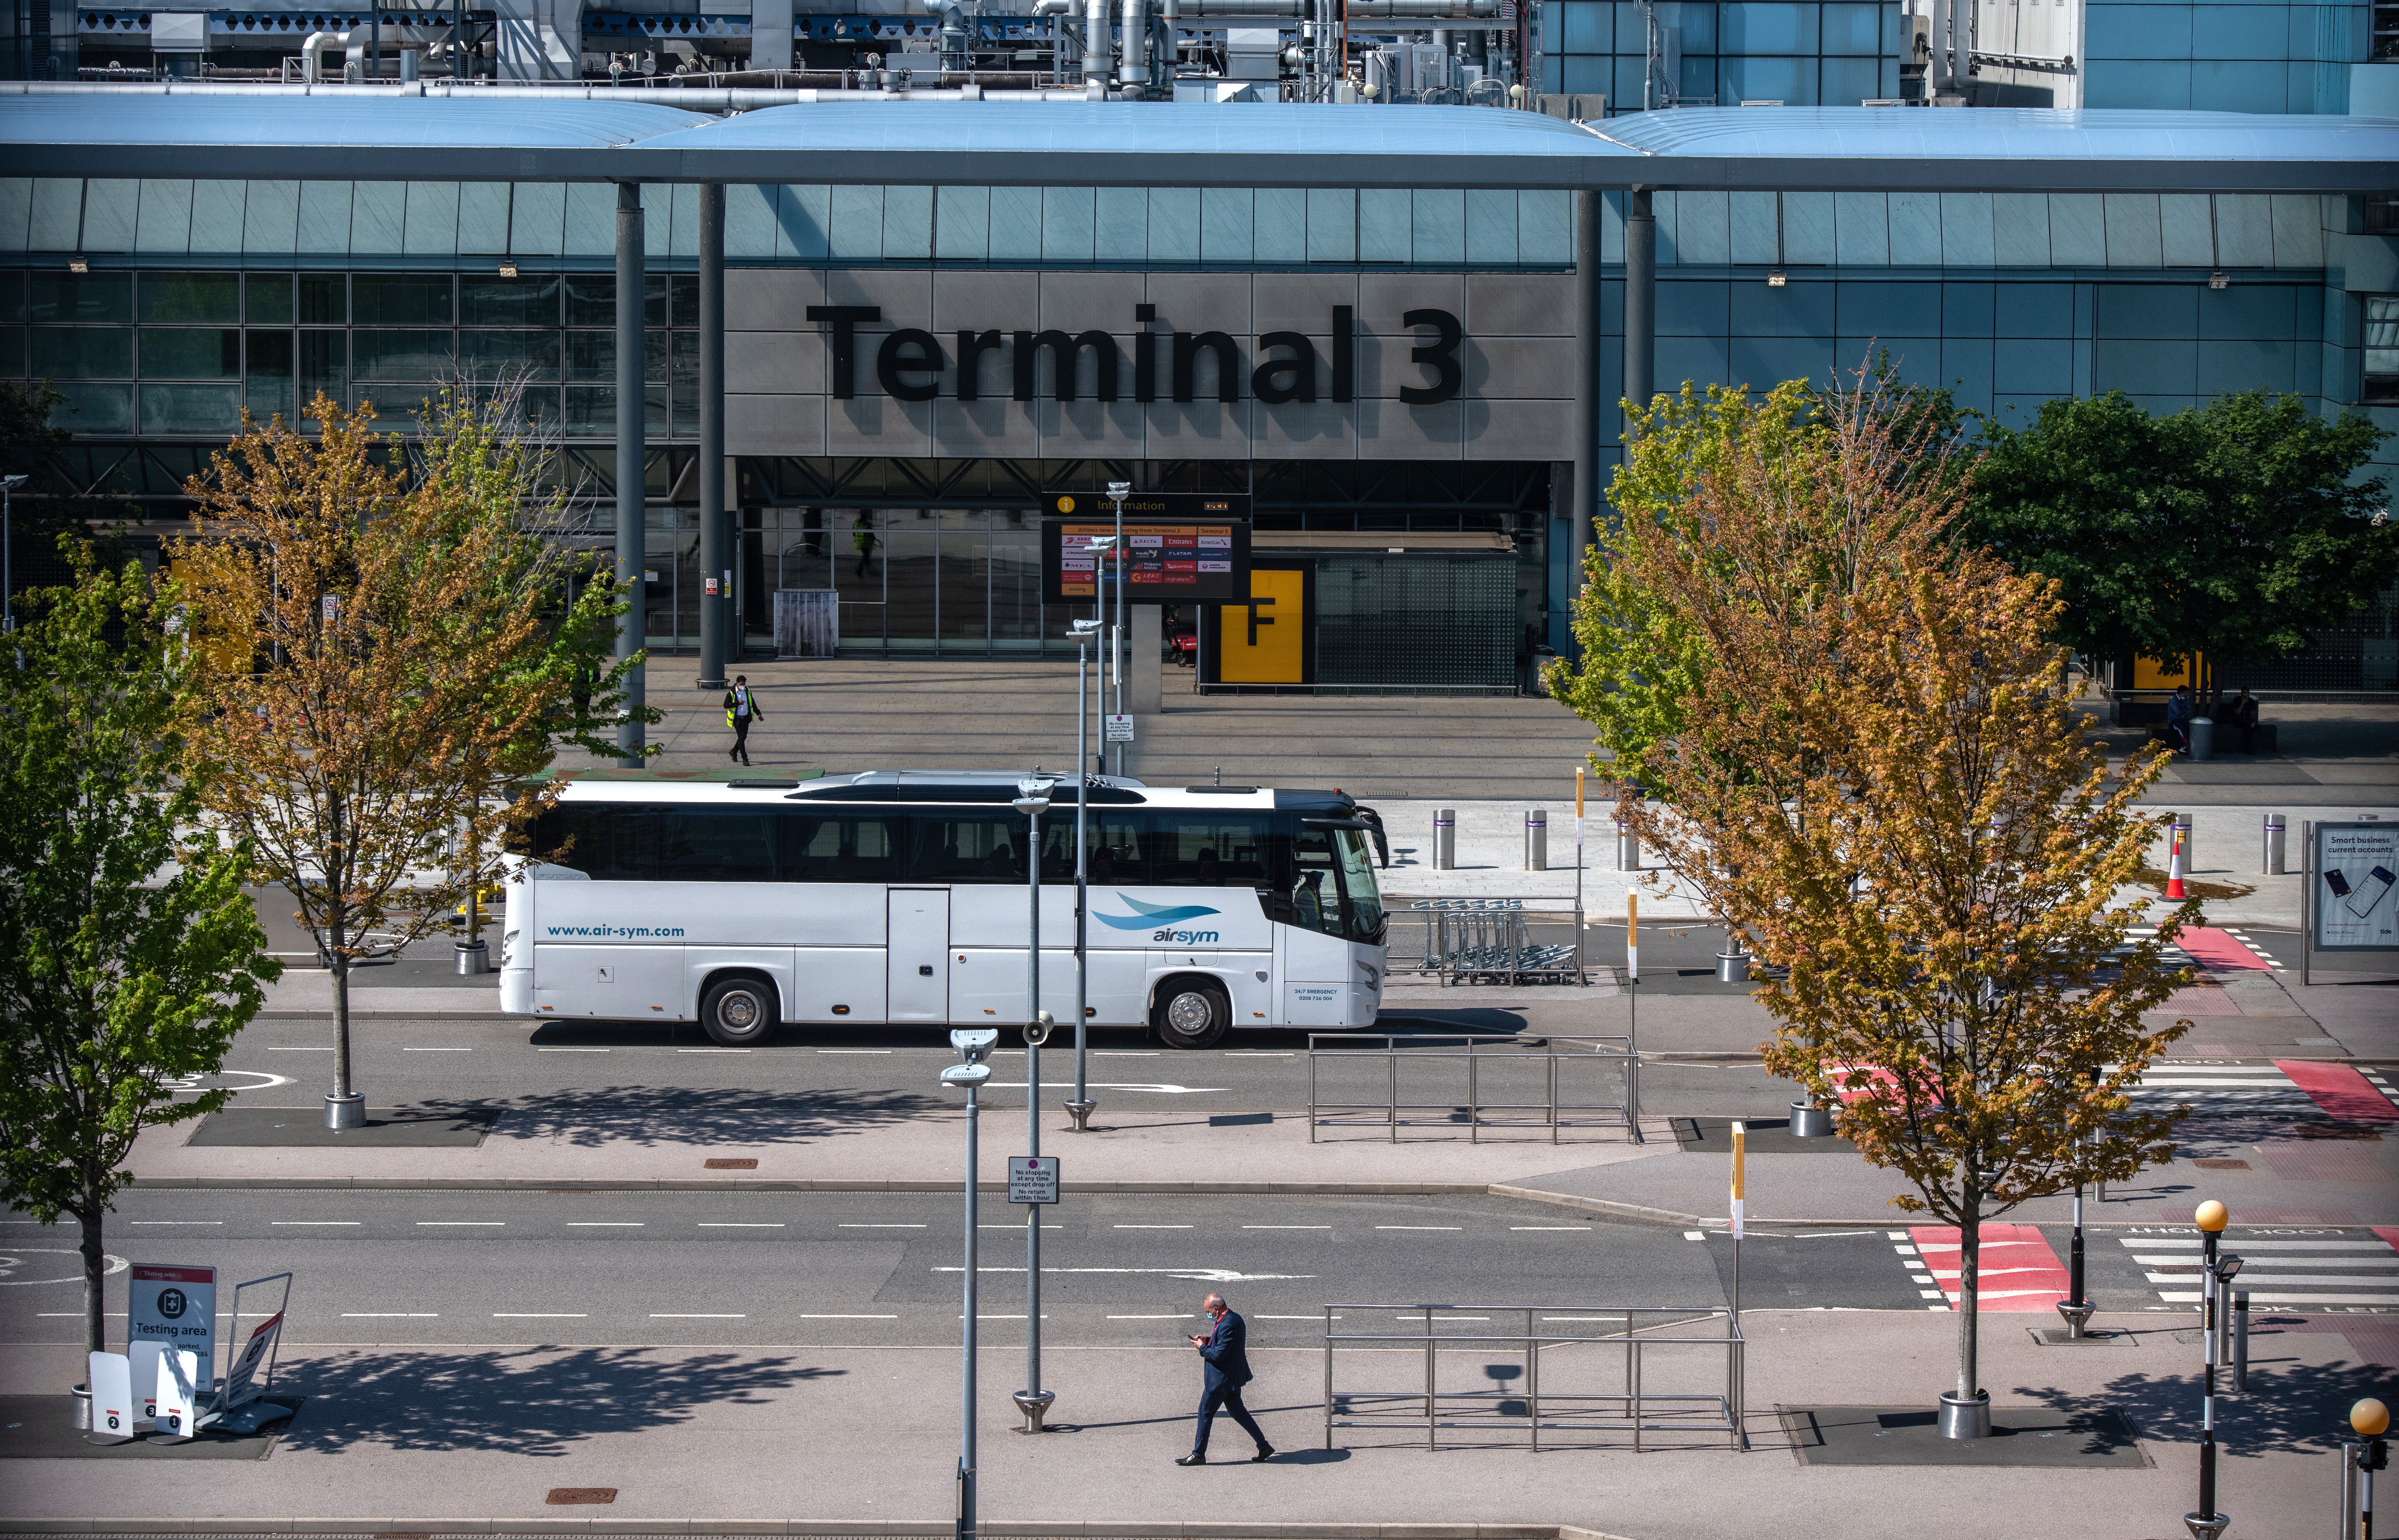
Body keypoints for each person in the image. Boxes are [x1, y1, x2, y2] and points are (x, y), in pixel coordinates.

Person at [1178, 1292, 1272, 1466]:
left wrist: (1202, 1348)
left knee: (1205, 1414)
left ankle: (1199, 1454)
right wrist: (1207, 1340)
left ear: (1216, 1309)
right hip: (1231, 1379)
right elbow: (1223, 1343)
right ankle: (1264, 1446)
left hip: (1221, 1380)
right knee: (1239, 1413)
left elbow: (1219, 1354)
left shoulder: (1228, 1324)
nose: (1208, 1314)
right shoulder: (1232, 1319)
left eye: (1208, 1311)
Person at [723, 674, 763, 766]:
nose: (743, 686)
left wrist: (759, 714)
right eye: (742, 684)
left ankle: (734, 751)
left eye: (744, 684)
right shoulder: (732, 693)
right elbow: (726, 705)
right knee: (741, 739)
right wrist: (737, 703)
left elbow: (752, 703)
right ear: (737, 683)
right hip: (738, 719)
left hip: (746, 718)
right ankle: (745, 759)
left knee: (743, 737)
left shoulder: (747, 691)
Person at [2218, 687, 2259, 754]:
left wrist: (2254, 722)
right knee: (2246, 723)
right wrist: (2242, 704)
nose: (2247, 695)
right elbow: (2237, 713)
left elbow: (2253, 713)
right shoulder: (2237, 700)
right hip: (2238, 720)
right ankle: (2249, 748)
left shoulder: (2251, 701)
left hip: (2247, 721)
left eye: (2248, 693)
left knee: (2249, 727)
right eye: (2245, 693)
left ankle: (2249, 749)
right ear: (2242, 693)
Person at [2162, 684, 2194, 754]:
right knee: (2181, 729)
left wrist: (2183, 712)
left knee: (2191, 727)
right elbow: (2178, 713)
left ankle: (2193, 746)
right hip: (2174, 721)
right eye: (2186, 693)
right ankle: (2185, 747)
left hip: (2183, 719)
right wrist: (2184, 710)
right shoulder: (2173, 700)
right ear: (2182, 694)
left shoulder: (2185, 700)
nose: (2188, 695)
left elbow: (2189, 710)